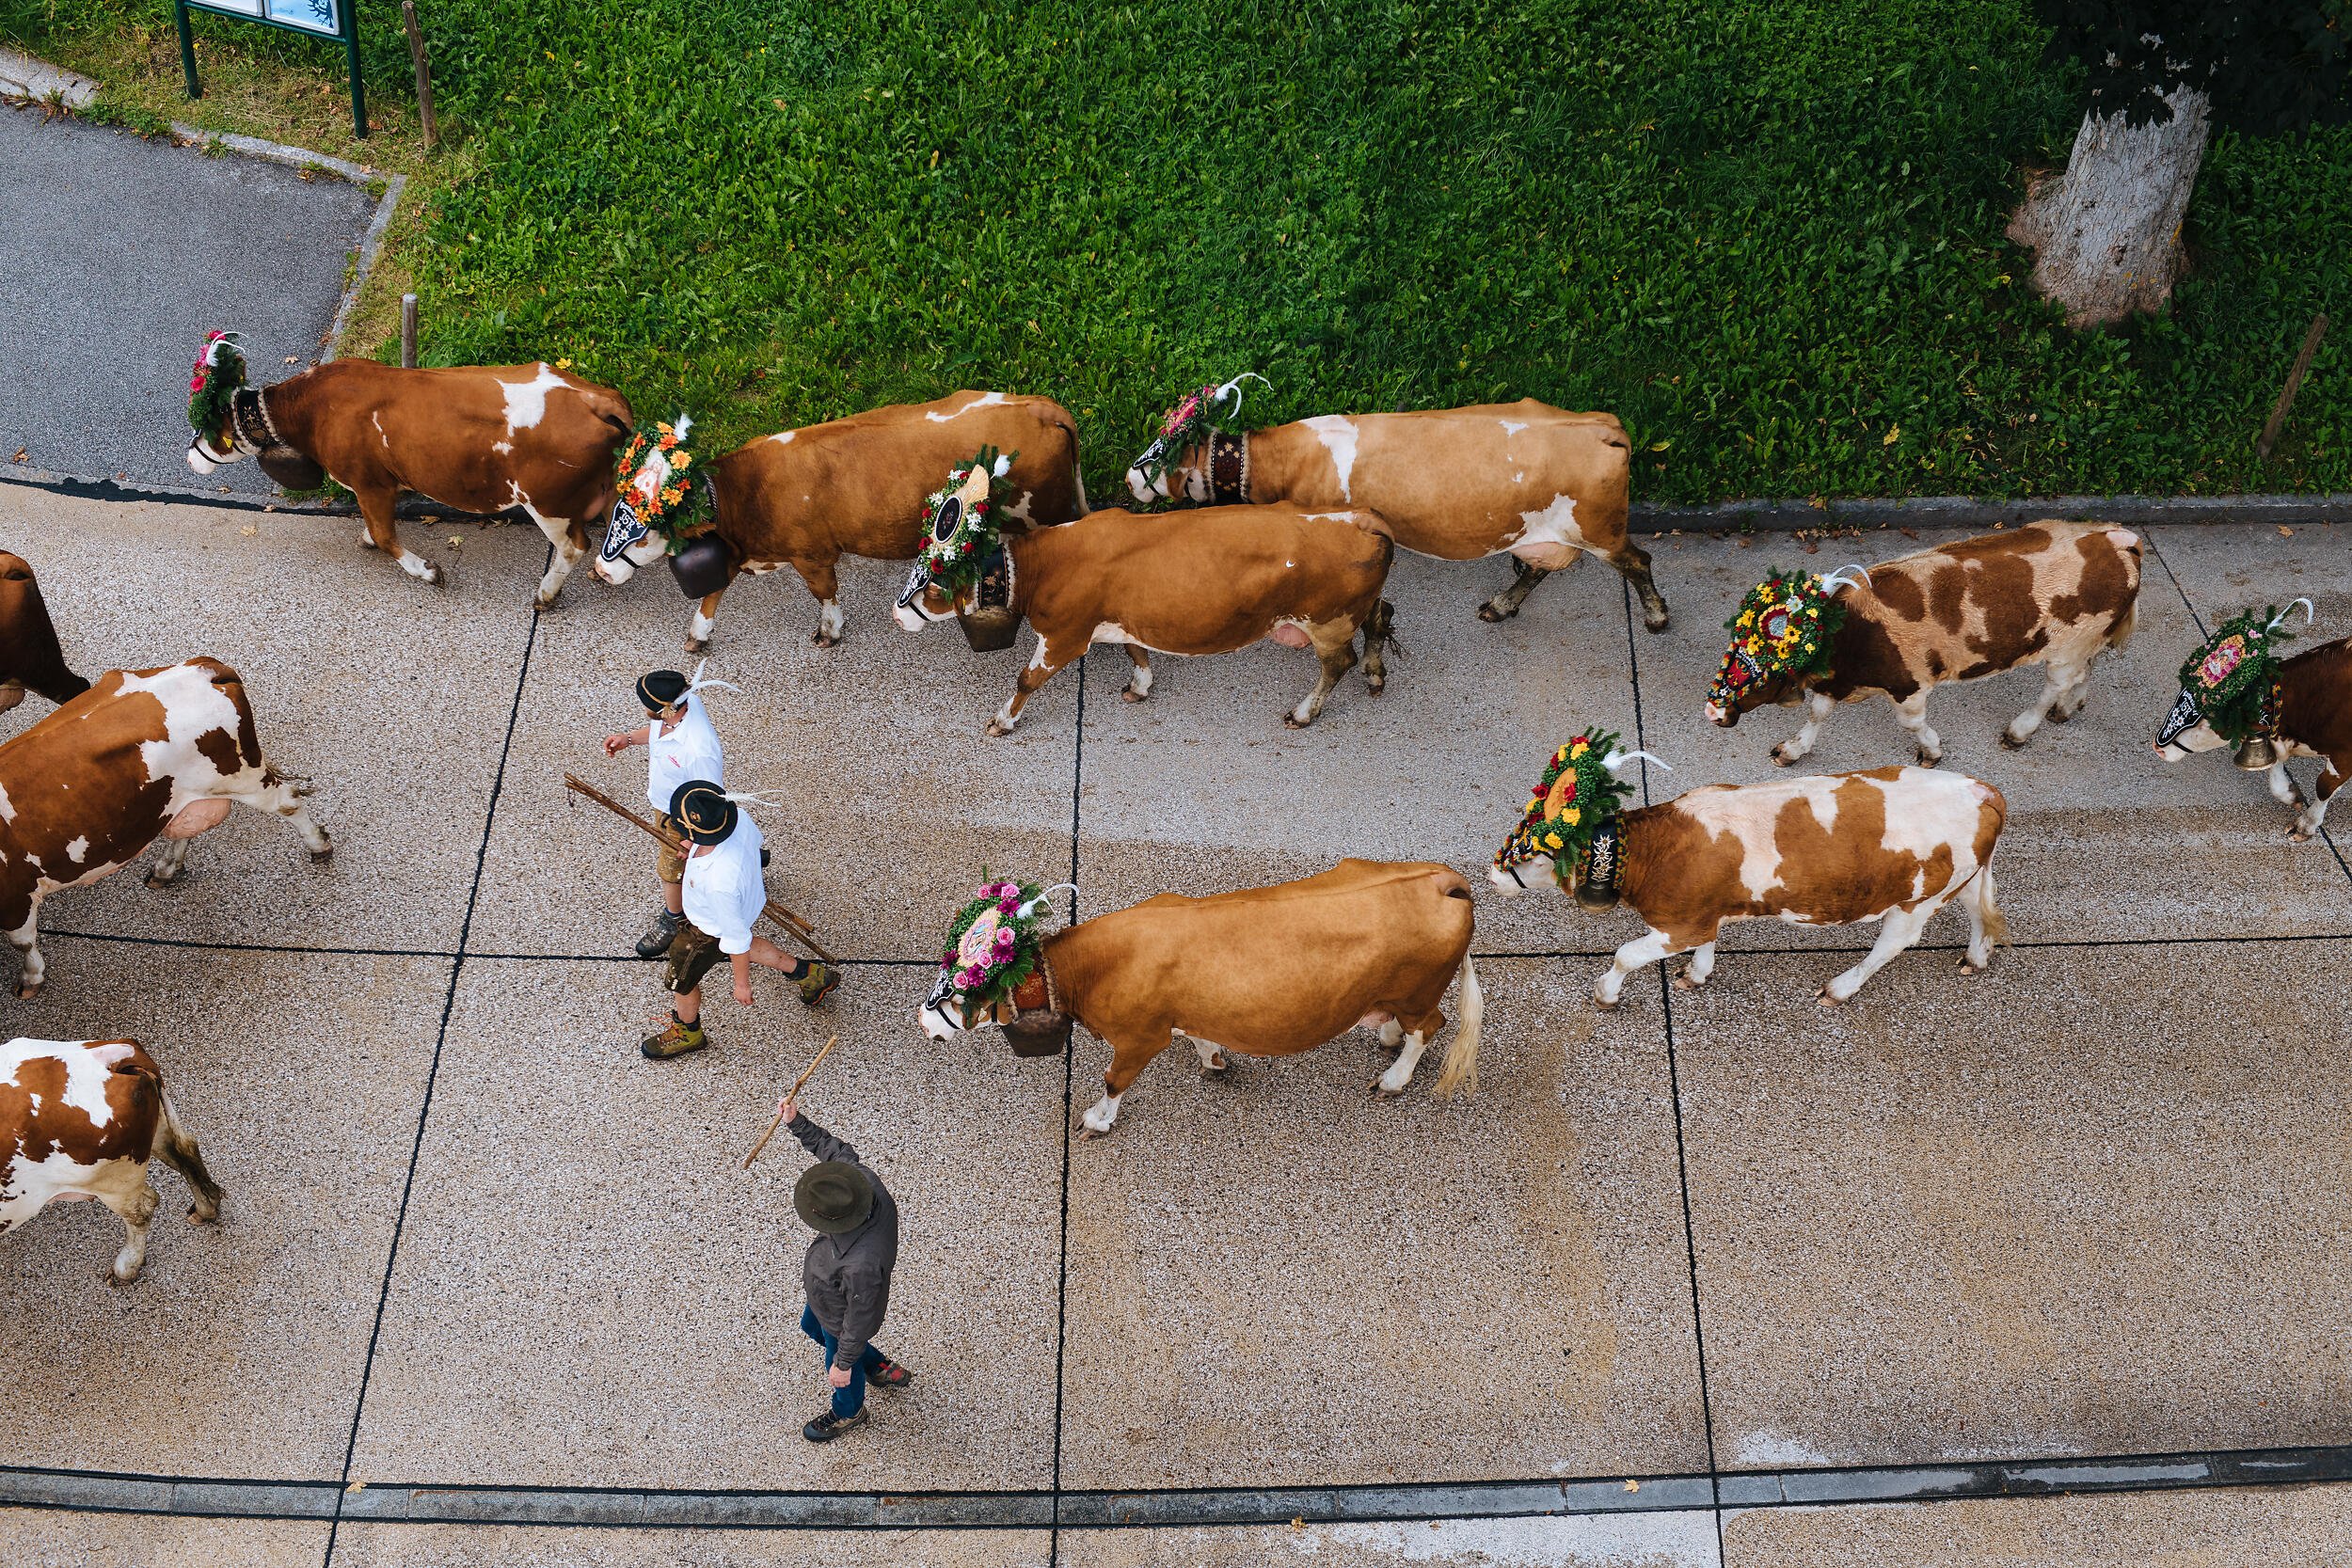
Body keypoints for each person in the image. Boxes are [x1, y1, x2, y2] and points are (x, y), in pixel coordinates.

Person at [641, 780, 840, 1060]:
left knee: (681, 982)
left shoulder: (720, 882)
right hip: (742, 905)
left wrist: (741, 984)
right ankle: (810, 976)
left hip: (704, 929)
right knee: (749, 942)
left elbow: (735, 940)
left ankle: (688, 1031)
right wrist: (693, 843)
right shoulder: (739, 819)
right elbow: (753, 846)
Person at [782, 1095, 911, 1442]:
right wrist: (797, 1123)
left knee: (839, 1361)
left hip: (841, 1309)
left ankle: (848, 1412)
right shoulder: (858, 1182)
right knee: (811, 1325)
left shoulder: (862, 1266)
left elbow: (862, 1316)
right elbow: (833, 1150)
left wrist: (843, 1363)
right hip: (826, 1296)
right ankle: (876, 1366)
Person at [603, 668, 727, 959]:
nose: (642, 707)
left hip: (683, 818)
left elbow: (711, 798)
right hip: (666, 802)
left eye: (644, 703)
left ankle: (674, 917)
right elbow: (661, 730)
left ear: (663, 708)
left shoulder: (699, 750)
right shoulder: (683, 705)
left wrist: (691, 838)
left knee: (671, 870)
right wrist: (629, 738)